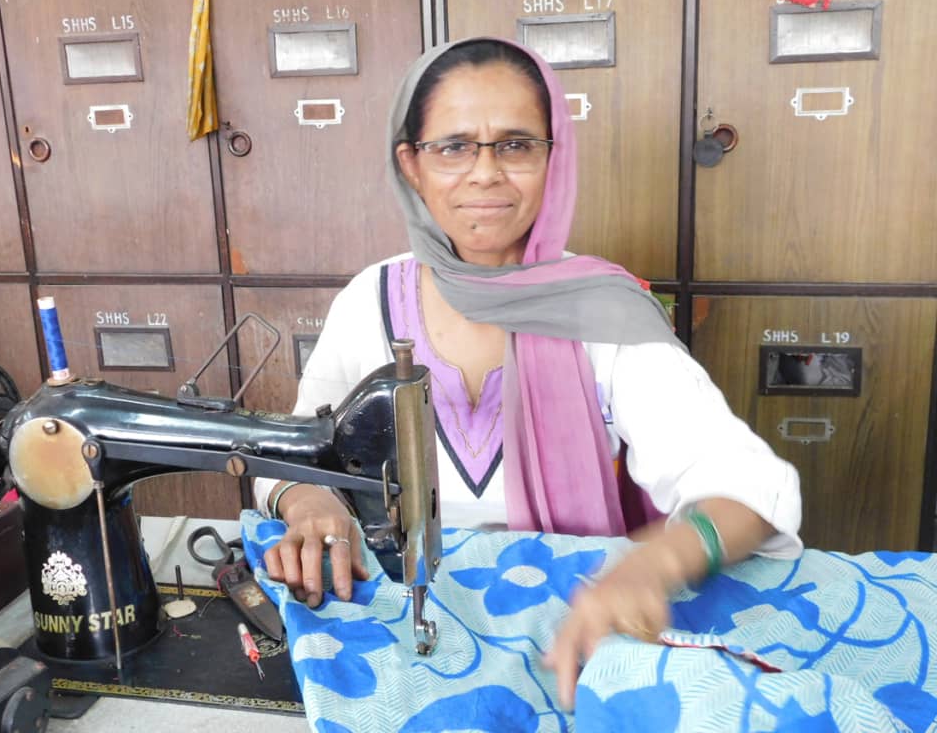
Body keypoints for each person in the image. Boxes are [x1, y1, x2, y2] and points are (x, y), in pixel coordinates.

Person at [254, 37, 802, 710]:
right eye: (453, 147)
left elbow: (747, 485)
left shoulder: (604, 311)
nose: (485, 173)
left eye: (515, 145)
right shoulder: (368, 302)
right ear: (411, 166)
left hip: (575, 620)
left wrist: (651, 567)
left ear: (552, 157)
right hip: (401, 608)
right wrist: (309, 503)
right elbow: (287, 451)